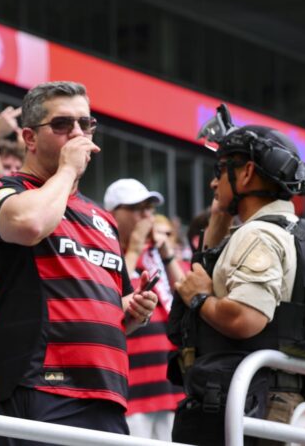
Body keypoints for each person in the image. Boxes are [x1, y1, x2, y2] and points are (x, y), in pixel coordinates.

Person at [0, 81, 157, 444]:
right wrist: (67, 170)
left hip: (107, 394)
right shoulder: (0, 190)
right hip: (40, 388)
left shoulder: (103, 218)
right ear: (30, 138)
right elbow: (29, 224)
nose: (77, 135)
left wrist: (130, 312)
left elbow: (115, 314)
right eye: (62, 125)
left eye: (85, 125)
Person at [170, 104, 305, 445]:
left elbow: (245, 318)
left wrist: (199, 297)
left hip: (252, 407)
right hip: (277, 398)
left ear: (246, 173)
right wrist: (219, 214)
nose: (213, 181)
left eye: (221, 169)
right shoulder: (300, 233)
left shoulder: (258, 235)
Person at [103, 178, 184, 441]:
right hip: (132, 394)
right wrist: (134, 247)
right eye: (138, 209)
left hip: (168, 390)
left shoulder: (154, 255)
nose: (147, 216)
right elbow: (112, 295)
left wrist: (167, 253)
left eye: (150, 209)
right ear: (114, 214)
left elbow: (186, 295)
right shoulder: (106, 250)